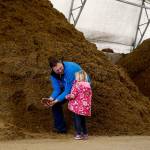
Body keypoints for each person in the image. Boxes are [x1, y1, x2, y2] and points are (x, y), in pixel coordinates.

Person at [42, 57, 83, 133]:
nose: (60, 71)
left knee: (75, 104)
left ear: (61, 62)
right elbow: (57, 89)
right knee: (55, 105)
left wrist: (56, 100)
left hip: (82, 87)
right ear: (52, 69)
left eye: (61, 68)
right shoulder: (53, 75)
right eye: (57, 70)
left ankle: (80, 132)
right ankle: (61, 129)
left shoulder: (70, 70)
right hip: (70, 86)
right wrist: (51, 99)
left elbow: (67, 91)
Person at [66, 70, 92, 140]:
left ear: (79, 77)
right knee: (83, 120)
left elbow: (73, 95)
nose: (75, 78)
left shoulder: (77, 85)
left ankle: (78, 134)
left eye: (76, 77)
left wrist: (67, 96)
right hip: (85, 107)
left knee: (77, 120)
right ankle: (85, 134)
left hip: (77, 107)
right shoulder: (88, 86)